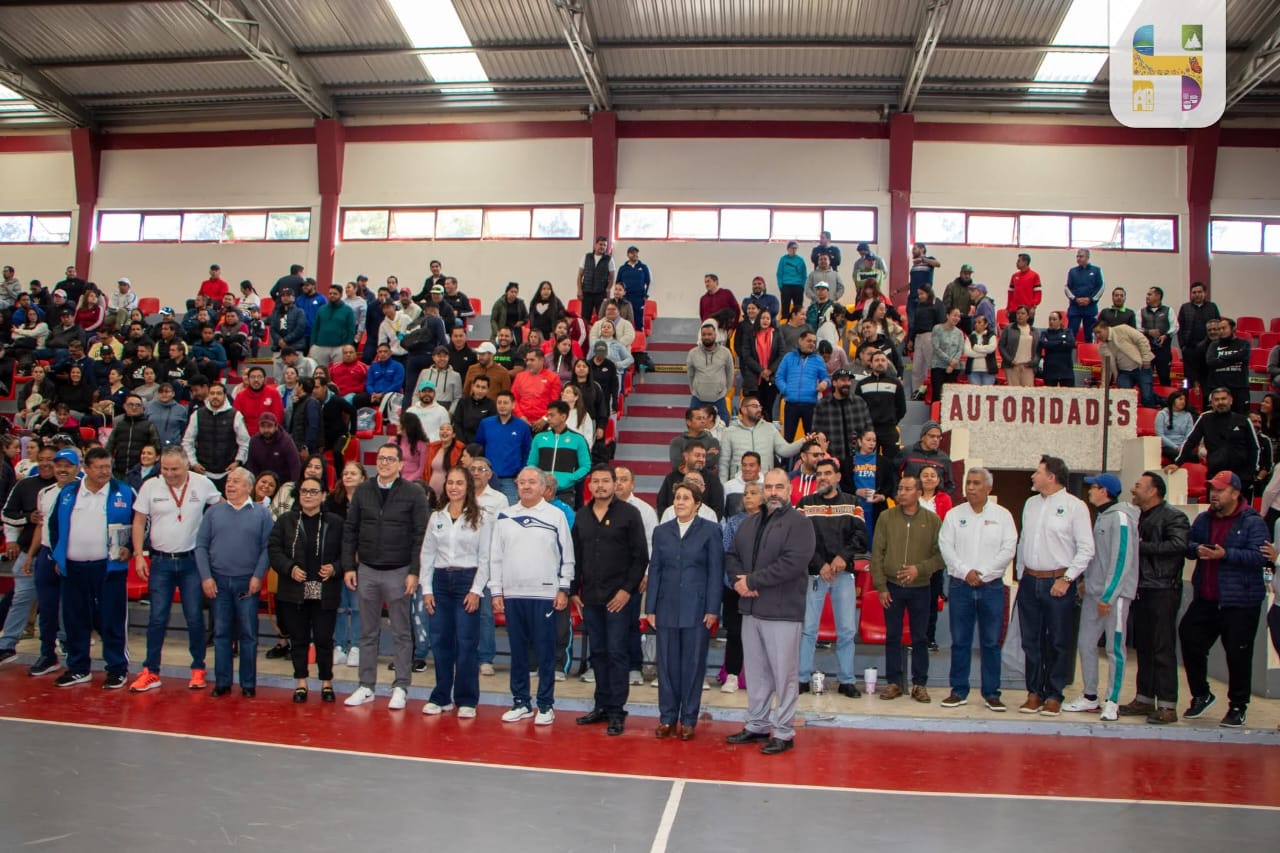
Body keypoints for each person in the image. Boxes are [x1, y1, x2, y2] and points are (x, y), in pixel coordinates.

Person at [723, 468, 816, 755]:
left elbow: (793, 563)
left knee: (783, 676)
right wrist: (739, 582)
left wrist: (752, 581)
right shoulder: (749, 523)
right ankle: (758, 725)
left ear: (790, 490)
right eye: (769, 487)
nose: (773, 492)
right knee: (756, 673)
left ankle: (784, 732)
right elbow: (732, 556)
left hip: (782, 611)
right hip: (751, 610)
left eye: (779, 487)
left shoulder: (800, 524)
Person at [341, 443, 429, 710]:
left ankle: (401, 686)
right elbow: (350, 530)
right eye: (381, 458)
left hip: (399, 571)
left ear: (401, 465)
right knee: (367, 632)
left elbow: (421, 536)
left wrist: (414, 571)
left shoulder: (413, 493)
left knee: (402, 632)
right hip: (367, 569)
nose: (384, 463)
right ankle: (366, 686)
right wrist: (349, 566)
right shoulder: (363, 491)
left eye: (390, 459)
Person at [127, 447, 222, 693]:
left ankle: (198, 668)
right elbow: (138, 521)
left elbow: (221, 508)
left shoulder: (202, 483)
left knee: (194, 617)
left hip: (192, 562)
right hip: (160, 562)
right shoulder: (150, 486)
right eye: (165, 469)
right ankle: (151, 671)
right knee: (157, 617)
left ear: (187, 465)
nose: (169, 474)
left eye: (175, 469)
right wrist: (138, 555)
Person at [1179, 471, 1269, 728]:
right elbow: (1188, 543)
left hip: (1240, 601)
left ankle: (1238, 706)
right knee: (1189, 637)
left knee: (1238, 654)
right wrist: (1196, 549)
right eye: (1212, 489)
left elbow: (1260, 556)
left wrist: (1226, 554)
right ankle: (1201, 694)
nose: (1214, 494)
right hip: (1207, 597)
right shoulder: (1204, 519)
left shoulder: (1252, 522)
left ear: (1235, 493)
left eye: (1220, 490)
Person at [490, 467, 575, 725]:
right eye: (522, 482)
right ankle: (521, 702)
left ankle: (546, 705)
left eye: (531, 482)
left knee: (545, 652)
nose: (526, 486)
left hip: (545, 595)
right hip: (513, 595)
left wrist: (563, 588)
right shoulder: (505, 515)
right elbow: (496, 556)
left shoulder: (556, 515)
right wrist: (496, 590)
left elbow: (567, 556)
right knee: (518, 652)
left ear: (543, 487)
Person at [46, 447, 134, 689]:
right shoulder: (68, 492)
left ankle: (117, 669)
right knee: (75, 619)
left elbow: (140, 524)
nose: (105, 472)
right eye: (99, 467)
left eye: (108, 466)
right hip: (73, 569)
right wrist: (59, 557)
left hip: (108, 569)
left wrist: (130, 547)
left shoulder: (124, 491)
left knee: (112, 620)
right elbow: (54, 526)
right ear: (86, 469)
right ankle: (78, 668)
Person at [571, 466, 648, 736]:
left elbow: (641, 557)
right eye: (596, 481)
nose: (601, 486)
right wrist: (574, 590)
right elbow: (575, 556)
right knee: (598, 653)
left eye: (606, 481)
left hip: (619, 599)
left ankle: (616, 711)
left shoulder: (629, 514)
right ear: (590, 485)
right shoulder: (582, 516)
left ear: (615, 484)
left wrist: (627, 590)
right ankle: (601, 706)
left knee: (617, 653)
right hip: (591, 597)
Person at [1014, 455, 1095, 715]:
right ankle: (1034, 692)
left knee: (1059, 641)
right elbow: (1024, 541)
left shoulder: (1075, 506)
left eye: (1037, 472)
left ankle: (1054, 694)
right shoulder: (1030, 504)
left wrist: (1067, 578)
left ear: (1051, 477)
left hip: (1058, 582)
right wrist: (1020, 575)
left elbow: (1086, 548)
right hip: (1030, 581)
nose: (1032, 476)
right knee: (1031, 641)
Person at [642, 479, 721, 740]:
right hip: (665, 608)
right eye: (677, 498)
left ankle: (688, 719)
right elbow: (655, 569)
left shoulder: (710, 530)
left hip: (697, 609)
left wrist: (712, 608)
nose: (680, 502)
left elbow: (715, 572)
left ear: (697, 504)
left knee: (693, 666)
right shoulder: (662, 531)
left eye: (686, 498)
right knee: (666, 666)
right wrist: (650, 607)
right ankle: (667, 718)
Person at [1058, 473, 1139, 722]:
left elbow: (1121, 558)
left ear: (1104, 491)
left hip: (1115, 597)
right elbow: (1097, 556)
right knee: (1085, 643)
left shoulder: (1121, 518)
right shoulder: (1102, 517)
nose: (1089, 491)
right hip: (1094, 593)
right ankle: (1090, 695)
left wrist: (1109, 595)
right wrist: (1086, 582)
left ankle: (1112, 700)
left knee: (1114, 648)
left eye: (1093, 487)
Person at [938, 467, 1017, 711]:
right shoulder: (954, 515)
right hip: (960, 585)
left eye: (976, 483)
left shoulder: (1003, 516)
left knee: (991, 642)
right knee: (960, 641)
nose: (970, 487)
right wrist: (966, 572)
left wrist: (983, 572)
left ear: (988, 488)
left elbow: (1008, 549)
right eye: (968, 483)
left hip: (991, 587)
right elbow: (946, 547)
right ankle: (958, 691)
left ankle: (991, 693)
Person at [419, 466, 491, 717]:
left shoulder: (481, 517)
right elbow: (427, 554)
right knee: (440, 641)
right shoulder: (436, 517)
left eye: (459, 483)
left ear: (468, 486)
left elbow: (485, 558)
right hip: (440, 582)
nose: (454, 487)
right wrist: (427, 590)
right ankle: (441, 697)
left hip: (467, 581)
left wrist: (476, 590)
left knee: (466, 642)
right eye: (450, 482)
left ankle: (467, 699)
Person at [195, 468, 273, 697]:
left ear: (249, 487)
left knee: (248, 634)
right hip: (218, 582)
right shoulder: (213, 512)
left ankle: (248, 684)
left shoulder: (262, 514)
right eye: (228, 481)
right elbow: (201, 546)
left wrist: (258, 576)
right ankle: (223, 682)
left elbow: (267, 548)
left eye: (236, 481)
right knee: (221, 633)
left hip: (247, 583)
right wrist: (206, 577)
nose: (229, 485)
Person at [1119, 470, 1190, 725]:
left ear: (1153, 491)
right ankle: (1145, 698)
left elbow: (1178, 545)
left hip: (1163, 589)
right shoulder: (1139, 517)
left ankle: (1168, 706)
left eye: (1138, 485)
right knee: (1145, 647)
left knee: (1162, 648)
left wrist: (1139, 547)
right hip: (1142, 588)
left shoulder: (1174, 516)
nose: (1133, 489)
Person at [268, 474, 344, 704]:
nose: (308, 496)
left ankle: (327, 682)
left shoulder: (335, 522)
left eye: (313, 492)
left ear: (323, 495)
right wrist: (289, 568)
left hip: (324, 590)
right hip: (294, 590)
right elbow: (274, 550)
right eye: (304, 491)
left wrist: (335, 568)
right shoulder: (285, 521)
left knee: (324, 639)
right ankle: (301, 682)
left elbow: (348, 553)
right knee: (298, 639)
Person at [869, 476, 944, 703]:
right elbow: (877, 554)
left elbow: (941, 556)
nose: (901, 492)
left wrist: (919, 569)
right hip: (892, 587)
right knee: (893, 636)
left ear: (919, 493)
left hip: (921, 588)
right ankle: (894, 682)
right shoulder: (886, 517)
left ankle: (919, 684)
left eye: (907, 489)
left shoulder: (932, 521)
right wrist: (881, 586)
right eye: (900, 488)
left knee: (920, 637)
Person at [796, 457, 867, 698]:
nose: (823, 478)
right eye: (819, 474)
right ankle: (801, 678)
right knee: (808, 629)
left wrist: (842, 557)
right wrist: (820, 564)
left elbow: (861, 536)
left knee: (846, 630)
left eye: (828, 473)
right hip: (815, 574)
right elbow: (800, 539)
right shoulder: (805, 504)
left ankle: (846, 680)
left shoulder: (852, 502)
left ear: (838, 477)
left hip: (843, 575)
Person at [0, 445, 56, 668]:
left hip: (58, 554)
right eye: (41, 459)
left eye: (50, 459)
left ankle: (63, 643)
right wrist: (26, 518)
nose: (45, 464)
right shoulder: (25, 485)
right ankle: (6, 645)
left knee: (61, 603)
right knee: (20, 599)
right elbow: (7, 514)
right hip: (29, 553)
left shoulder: (70, 488)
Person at [1170, 387, 1260, 500]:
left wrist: (1251, 472)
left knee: (1241, 509)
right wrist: (1178, 463)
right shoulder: (1205, 419)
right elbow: (1191, 442)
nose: (1220, 402)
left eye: (1223, 399)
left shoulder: (1243, 420)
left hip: (1241, 477)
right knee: (1214, 508)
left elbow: (1254, 448)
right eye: (1216, 400)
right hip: (1215, 475)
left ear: (1231, 400)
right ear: (1211, 402)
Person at [720, 394, 807, 483]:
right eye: (755, 406)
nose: (759, 409)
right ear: (744, 409)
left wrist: (804, 441)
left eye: (760, 406)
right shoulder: (729, 432)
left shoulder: (770, 428)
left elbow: (785, 450)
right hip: (738, 483)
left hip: (765, 483)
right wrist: (722, 486)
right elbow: (723, 463)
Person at [181, 381, 250, 492]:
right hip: (202, 472)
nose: (215, 396)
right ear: (208, 395)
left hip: (228, 473)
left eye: (218, 393)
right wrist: (193, 463)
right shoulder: (197, 414)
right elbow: (187, 441)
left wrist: (238, 461)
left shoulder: (235, 415)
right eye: (212, 393)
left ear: (224, 395)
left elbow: (245, 442)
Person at [528, 400, 591, 507]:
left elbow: (586, 466)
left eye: (552, 415)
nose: (548, 418)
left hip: (565, 493)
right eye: (548, 415)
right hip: (541, 491)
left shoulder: (578, 439)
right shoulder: (539, 438)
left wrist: (571, 478)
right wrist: (538, 479)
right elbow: (531, 464)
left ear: (563, 417)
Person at [775, 329, 830, 442]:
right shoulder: (788, 357)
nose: (812, 344)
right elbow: (779, 377)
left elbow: (826, 378)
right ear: (800, 340)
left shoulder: (818, 360)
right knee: (788, 439)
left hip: (810, 405)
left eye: (814, 342)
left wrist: (825, 383)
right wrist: (786, 390)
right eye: (809, 341)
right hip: (791, 404)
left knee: (811, 439)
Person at [1094, 318, 1157, 407]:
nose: (1097, 335)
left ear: (1106, 328)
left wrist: (1146, 359)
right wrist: (1103, 388)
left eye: (1099, 332)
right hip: (1124, 373)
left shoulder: (1123, 329)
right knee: (1125, 398)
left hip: (1141, 367)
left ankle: (1160, 402)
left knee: (1147, 398)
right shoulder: (1102, 348)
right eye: (1095, 333)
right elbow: (1107, 369)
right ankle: (1161, 400)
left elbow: (1142, 340)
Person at [686, 320, 734, 425]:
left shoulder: (725, 352)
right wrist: (695, 390)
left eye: (709, 334)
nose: (706, 337)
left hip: (719, 399)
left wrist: (723, 391)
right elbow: (690, 375)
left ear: (715, 335)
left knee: (723, 426)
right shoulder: (693, 353)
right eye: (704, 335)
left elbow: (730, 374)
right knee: (693, 426)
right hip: (698, 398)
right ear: (700, 336)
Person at [104, 393, 161, 479]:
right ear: (125, 406)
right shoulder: (119, 425)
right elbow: (109, 446)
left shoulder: (149, 426)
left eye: (138, 405)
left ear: (142, 408)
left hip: (139, 473)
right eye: (131, 404)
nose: (134, 407)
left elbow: (157, 448)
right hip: (118, 471)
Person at [1176, 281, 1219, 392]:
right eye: (1194, 292)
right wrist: (1183, 346)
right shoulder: (1185, 307)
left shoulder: (1212, 307)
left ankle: (1207, 399)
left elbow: (1218, 325)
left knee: (1207, 378)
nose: (1197, 294)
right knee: (1188, 380)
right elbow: (1179, 328)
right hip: (1190, 349)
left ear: (1205, 293)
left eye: (1199, 292)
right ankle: (1186, 396)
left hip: (1208, 349)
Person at [1204, 318, 1251, 415]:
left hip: (1239, 388)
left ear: (1233, 328)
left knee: (1240, 417)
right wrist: (1234, 358)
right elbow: (1211, 361)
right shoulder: (1214, 345)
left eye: (1224, 328)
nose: (1221, 331)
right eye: (1219, 329)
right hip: (1217, 387)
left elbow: (1243, 356)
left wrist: (1221, 358)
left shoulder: (1244, 343)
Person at [1065, 248, 1104, 343]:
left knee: (1089, 335)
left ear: (1087, 257)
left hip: (1090, 308)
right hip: (1075, 308)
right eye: (1077, 256)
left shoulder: (1096, 270)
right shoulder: (1072, 271)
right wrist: (1075, 299)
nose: (1078, 258)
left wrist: (1090, 300)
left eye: (1081, 256)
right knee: (1071, 334)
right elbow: (1067, 288)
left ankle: (1089, 351)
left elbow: (1101, 287)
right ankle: (1070, 352)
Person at [1141, 286, 1176, 386]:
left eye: (1149, 294)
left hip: (1163, 350)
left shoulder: (1169, 310)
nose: (1147, 296)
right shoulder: (1141, 312)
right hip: (1147, 351)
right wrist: (1148, 332)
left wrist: (1166, 335)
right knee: (1145, 380)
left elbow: (1175, 327)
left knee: (1165, 377)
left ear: (1158, 296)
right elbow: (1137, 328)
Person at [930, 307, 966, 399]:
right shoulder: (937, 328)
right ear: (948, 315)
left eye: (958, 316)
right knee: (937, 395)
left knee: (950, 397)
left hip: (954, 368)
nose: (957, 318)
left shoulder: (959, 333)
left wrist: (953, 364)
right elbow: (936, 348)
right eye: (954, 315)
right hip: (938, 366)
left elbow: (960, 349)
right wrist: (950, 361)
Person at [577, 237, 614, 324]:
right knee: (585, 318)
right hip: (586, 292)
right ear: (595, 245)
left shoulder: (609, 259)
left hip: (601, 294)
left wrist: (608, 290)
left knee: (602, 318)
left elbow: (612, 277)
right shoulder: (586, 257)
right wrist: (579, 290)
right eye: (601, 244)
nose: (603, 247)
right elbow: (579, 275)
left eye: (605, 245)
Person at [999, 305, 1037, 388]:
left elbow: (1038, 350)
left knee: (1028, 392)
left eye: (1023, 313)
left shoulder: (1034, 331)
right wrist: (1009, 360)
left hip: (1028, 367)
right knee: (1014, 392)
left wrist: (1033, 362)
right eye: (1018, 313)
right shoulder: (1009, 329)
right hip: (1012, 366)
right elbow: (1001, 346)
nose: (1020, 315)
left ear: (1028, 316)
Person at [1037, 310, 1075, 387]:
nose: (1051, 321)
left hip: (1066, 371)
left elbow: (1070, 344)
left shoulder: (1068, 332)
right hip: (1050, 370)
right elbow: (1043, 343)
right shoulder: (1045, 333)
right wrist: (1061, 342)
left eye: (1054, 319)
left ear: (1060, 321)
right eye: (1050, 319)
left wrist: (1050, 343)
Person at [1155, 390, 1195, 462]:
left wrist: (1183, 447)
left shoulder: (1188, 415)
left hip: (1183, 446)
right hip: (1167, 446)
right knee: (1176, 455)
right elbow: (1160, 435)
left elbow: (1189, 435)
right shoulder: (1162, 414)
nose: (1183, 402)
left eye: (1184, 400)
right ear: (1173, 400)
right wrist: (1176, 447)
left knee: (1194, 456)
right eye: (1180, 399)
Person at [616, 246, 651, 324]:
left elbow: (649, 282)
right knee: (623, 319)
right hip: (625, 297)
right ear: (628, 255)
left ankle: (639, 331)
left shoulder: (644, 267)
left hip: (639, 298)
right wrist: (618, 295)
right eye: (632, 253)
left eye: (636, 253)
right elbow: (618, 283)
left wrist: (646, 295)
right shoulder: (622, 268)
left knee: (638, 320)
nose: (635, 254)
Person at [964, 314, 999, 386]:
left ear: (986, 324)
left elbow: (991, 348)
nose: (976, 324)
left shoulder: (991, 336)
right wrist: (984, 353)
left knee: (987, 391)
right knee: (975, 392)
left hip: (988, 370)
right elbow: (967, 352)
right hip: (973, 371)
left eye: (979, 322)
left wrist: (976, 348)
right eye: (975, 322)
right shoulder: (970, 337)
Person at [1007, 252, 1041, 319]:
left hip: (1027, 311)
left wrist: (1033, 307)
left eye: (1019, 261)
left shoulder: (1034, 276)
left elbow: (1037, 294)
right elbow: (1010, 294)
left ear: (1025, 262)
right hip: (1014, 311)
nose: (1016, 263)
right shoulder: (1014, 276)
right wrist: (1008, 308)